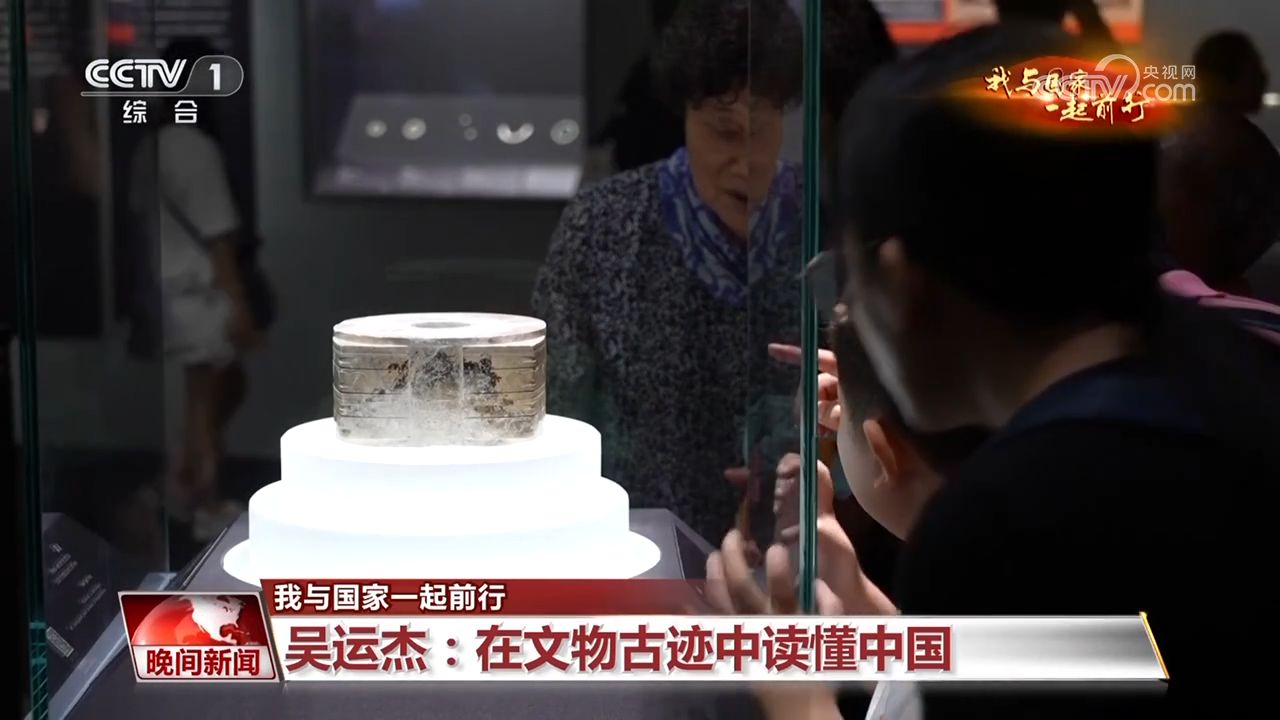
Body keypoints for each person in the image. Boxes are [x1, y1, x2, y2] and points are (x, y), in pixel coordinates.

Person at [721, 23, 1280, 719]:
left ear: (903, 282)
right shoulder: (1232, 373)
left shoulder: (1003, 528)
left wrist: (796, 699)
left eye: (851, 284)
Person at [532, 0, 892, 543]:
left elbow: (876, 423)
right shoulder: (603, 228)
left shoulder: (826, 227)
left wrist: (823, 467)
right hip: (631, 543)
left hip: (801, 545)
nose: (745, 161)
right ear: (685, 117)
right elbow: (557, 417)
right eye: (723, 132)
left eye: (761, 130)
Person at [129, 38, 267, 541]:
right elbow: (218, 238)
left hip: (167, 297)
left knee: (202, 402)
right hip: (199, 298)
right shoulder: (193, 147)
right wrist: (239, 307)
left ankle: (179, 493)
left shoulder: (152, 145)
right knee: (203, 407)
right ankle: (200, 503)